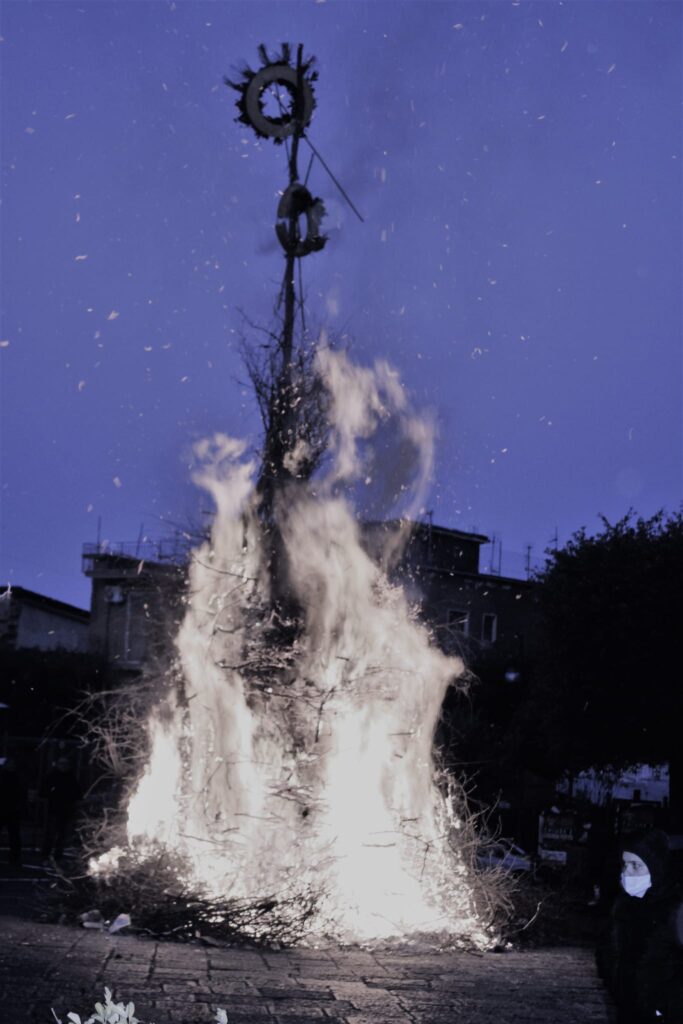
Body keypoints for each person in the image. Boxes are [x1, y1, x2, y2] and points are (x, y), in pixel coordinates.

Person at [597, 828, 683, 1023]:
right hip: (628, 1010)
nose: (627, 872)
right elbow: (607, 950)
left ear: (656, 867)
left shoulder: (675, 909)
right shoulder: (624, 905)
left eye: (636, 866)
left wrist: (668, 1008)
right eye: (625, 865)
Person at [40, 755, 81, 861]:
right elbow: (43, 792)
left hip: (66, 810)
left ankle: (58, 855)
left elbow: (77, 793)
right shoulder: (52, 777)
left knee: (62, 835)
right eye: (61, 764)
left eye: (66, 764)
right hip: (54, 809)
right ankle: (46, 853)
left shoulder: (71, 778)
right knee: (51, 833)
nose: (64, 766)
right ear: (57, 765)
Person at [0, 757, 26, 867]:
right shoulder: (13, 777)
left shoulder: (17, 777)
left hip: (12, 809)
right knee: (14, 835)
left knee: (14, 835)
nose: (11, 766)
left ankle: (15, 857)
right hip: (5, 808)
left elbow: (21, 792)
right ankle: (14, 857)